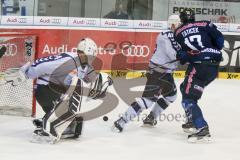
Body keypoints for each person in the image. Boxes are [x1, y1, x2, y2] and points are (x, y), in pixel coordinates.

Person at [19, 38, 113, 143]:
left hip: (56, 92)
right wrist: (28, 73)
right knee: (67, 107)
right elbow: (43, 64)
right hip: (45, 90)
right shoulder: (68, 60)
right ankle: (47, 127)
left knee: (75, 123)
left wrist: (100, 88)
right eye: (82, 53)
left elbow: (84, 85)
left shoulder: (84, 67)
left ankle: (48, 121)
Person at [112, 15, 181, 132]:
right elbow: (172, 55)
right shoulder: (167, 35)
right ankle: (122, 121)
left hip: (165, 73)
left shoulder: (168, 35)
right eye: (179, 24)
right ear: (174, 24)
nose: (180, 26)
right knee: (147, 101)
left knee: (171, 96)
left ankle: (151, 118)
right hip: (158, 73)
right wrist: (187, 56)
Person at [174, 9, 224, 143]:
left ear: (182, 19)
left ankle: (202, 127)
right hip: (213, 68)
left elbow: (184, 55)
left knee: (188, 99)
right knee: (184, 87)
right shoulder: (205, 24)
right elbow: (220, 41)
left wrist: (182, 57)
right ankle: (191, 120)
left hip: (198, 67)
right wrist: (211, 49)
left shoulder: (178, 32)